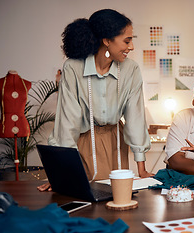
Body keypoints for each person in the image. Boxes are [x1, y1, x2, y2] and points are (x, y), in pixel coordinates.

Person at [38, 9, 153, 191]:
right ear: (107, 40)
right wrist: (60, 174)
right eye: (127, 40)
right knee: (80, 199)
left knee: (115, 200)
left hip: (116, 141)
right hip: (81, 142)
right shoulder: (73, 68)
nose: (131, 47)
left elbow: (135, 116)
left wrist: (142, 169)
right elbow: (67, 121)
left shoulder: (131, 69)